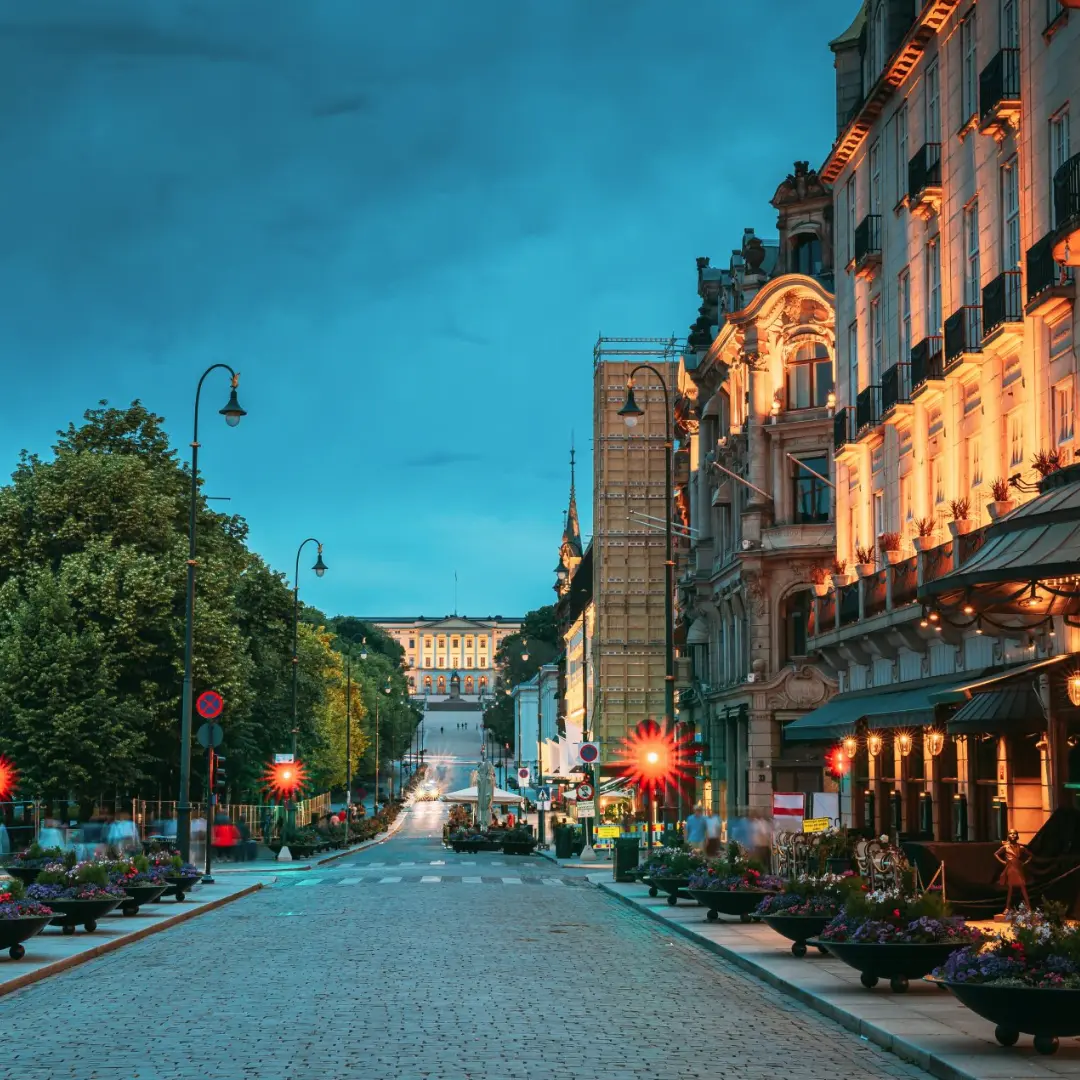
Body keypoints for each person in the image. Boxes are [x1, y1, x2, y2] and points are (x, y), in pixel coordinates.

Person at [995, 829, 1033, 911]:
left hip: (1018, 868)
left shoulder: (1021, 847)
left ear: (1017, 836)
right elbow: (996, 854)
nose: (1012, 835)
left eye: (1014, 834)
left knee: (1023, 887)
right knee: (1010, 888)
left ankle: (1029, 907)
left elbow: (1030, 855)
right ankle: (1007, 907)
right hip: (1010, 868)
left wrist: (1024, 863)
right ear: (1008, 836)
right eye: (1011, 833)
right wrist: (1003, 862)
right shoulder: (1005, 847)